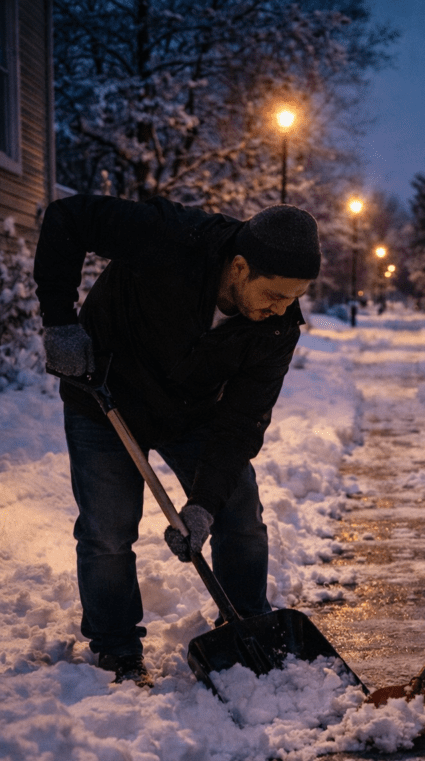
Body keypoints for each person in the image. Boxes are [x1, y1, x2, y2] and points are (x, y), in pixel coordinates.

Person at [33, 194, 321, 687]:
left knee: (239, 511)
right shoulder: (172, 237)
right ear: (238, 266)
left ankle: (246, 623)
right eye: (274, 294)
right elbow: (68, 217)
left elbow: (242, 421)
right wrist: (60, 320)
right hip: (105, 393)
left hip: (192, 410)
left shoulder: (276, 330)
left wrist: (204, 504)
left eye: (293, 298)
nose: (281, 309)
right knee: (107, 528)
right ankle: (117, 648)